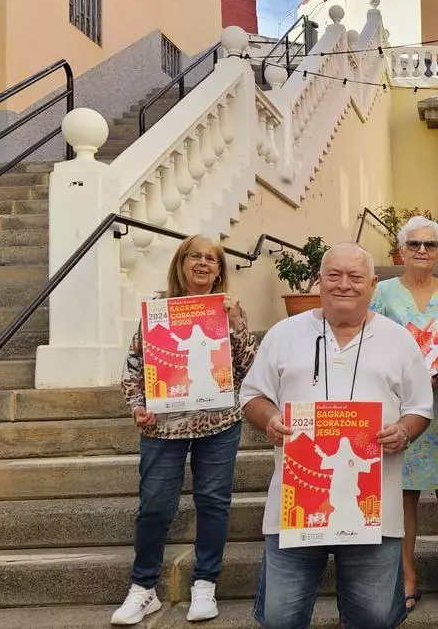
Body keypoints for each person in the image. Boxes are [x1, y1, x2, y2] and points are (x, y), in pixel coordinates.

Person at [240, 242, 433, 629]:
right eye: (334, 275)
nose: (344, 284)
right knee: (280, 617)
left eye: (355, 276)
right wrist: (270, 418)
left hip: (373, 509)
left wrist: (403, 431)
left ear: (373, 285)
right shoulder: (284, 334)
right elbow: (252, 396)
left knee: (374, 618)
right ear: (319, 281)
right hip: (296, 506)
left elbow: (421, 408)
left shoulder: (399, 340)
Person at [112, 235, 259, 625]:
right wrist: (138, 406)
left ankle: (205, 584)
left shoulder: (229, 311)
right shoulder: (159, 311)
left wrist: (237, 324)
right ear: (180, 263)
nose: (203, 263)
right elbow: (133, 368)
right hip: (163, 426)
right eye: (195, 256)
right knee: (155, 507)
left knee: (213, 504)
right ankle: (143, 589)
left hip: (219, 424)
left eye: (212, 258)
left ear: (219, 270)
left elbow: (251, 368)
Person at [369, 216, 438, 613]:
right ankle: (407, 575)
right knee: (404, 494)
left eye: (429, 244)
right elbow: (371, 343)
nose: (421, 250)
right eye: (413, 243)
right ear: (400, 250)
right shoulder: (381, 293)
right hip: (400, 409)